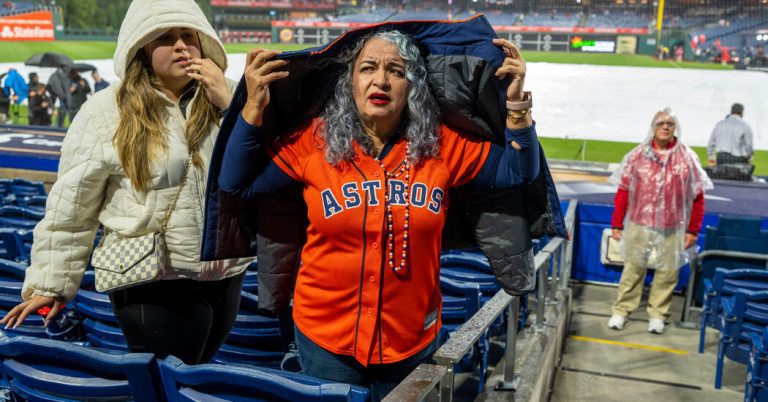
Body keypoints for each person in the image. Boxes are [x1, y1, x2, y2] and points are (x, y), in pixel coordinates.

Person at [218, 30, 542, 400]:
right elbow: (235, 184)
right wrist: (252, 108)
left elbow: (518, 172)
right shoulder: (315, 141)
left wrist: (517, 105)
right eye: (367, 68)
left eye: (397, 71)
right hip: (325, 340)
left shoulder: (442, 143)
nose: (381, 80)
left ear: (413, 86)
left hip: (411, 341)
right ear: (350, 82)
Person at [0, 0, 252, 365]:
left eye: (189, 35)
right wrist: (51, 283)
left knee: (197, 380)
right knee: (167, 388)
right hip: (152, 281)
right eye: (166, 37)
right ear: (141, 47)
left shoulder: (230, 96)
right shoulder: (104, 112)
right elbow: (72, 207)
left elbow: (272, 169)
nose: (182, 45)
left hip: (225, 273)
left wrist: (232, 105)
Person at [607, 108, 711, 334]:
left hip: (673, 225)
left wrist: (693, 229)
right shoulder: (637, 155)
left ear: (676, 128)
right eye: (661, 123)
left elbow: (698, 197)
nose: (665, 127)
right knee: (633, 267)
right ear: (653, 127)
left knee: (668, 270)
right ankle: (622, 310)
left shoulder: (686, 158)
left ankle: (658, 314)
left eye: (670, 124)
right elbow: (623, 191)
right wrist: (617, 223)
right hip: (639, 222)